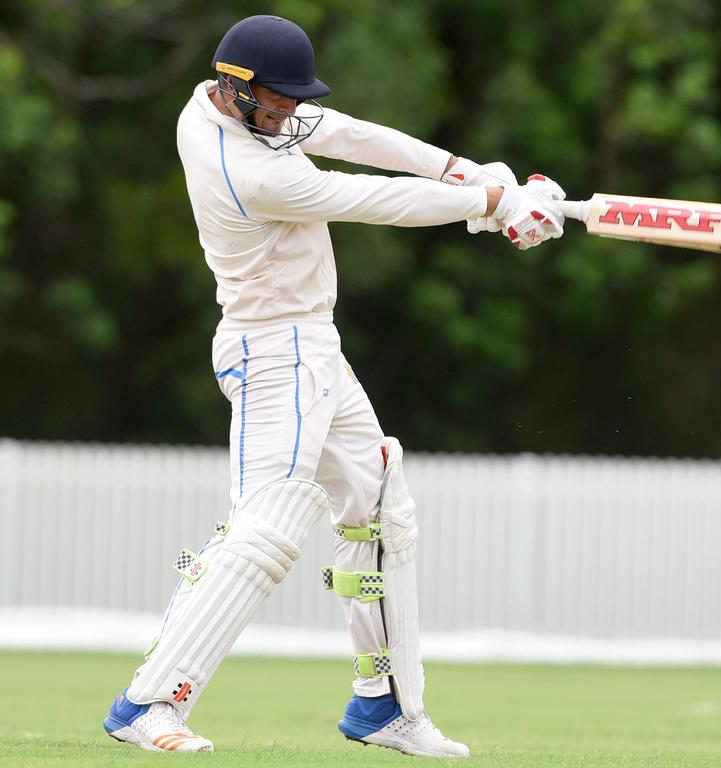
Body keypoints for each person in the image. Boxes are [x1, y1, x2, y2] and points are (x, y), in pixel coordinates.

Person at [102, 14, 564, 757]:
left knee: (380, 507)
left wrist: (463, 172)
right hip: (270, 350)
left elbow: (351, 134)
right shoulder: (246, 168)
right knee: (264, 529)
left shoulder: (235, 105)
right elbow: (366, 198)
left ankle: (384, 706)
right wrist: (488, 204)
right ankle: (148, 702)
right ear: (238, 89)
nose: (290, 112)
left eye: (292, 100)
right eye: (279, 101)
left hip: (312, 343)